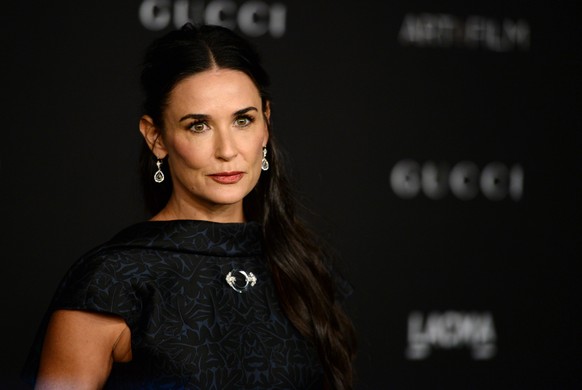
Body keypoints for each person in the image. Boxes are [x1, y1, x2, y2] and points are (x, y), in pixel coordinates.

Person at [22, 23, 356, 389]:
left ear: (266, 124)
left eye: (243, 120)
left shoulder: (299, 267)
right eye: (199, 126)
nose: (227, 150)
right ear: (156, 137)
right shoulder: (110, 283)